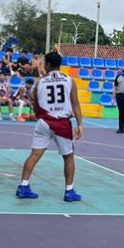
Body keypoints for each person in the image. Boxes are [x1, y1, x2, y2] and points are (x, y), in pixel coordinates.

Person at [16, 52, 83, 201]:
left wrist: (37, 115)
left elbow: (35, 102)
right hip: (61, 123)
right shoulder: (69, 80)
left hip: (44, 122)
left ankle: (23, 186)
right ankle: (69, 191)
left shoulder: (41, 82)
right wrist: (79, 124)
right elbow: (75, 103)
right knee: (68, 157)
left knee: (34, 155)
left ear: (47, 65)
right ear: (60, 65)